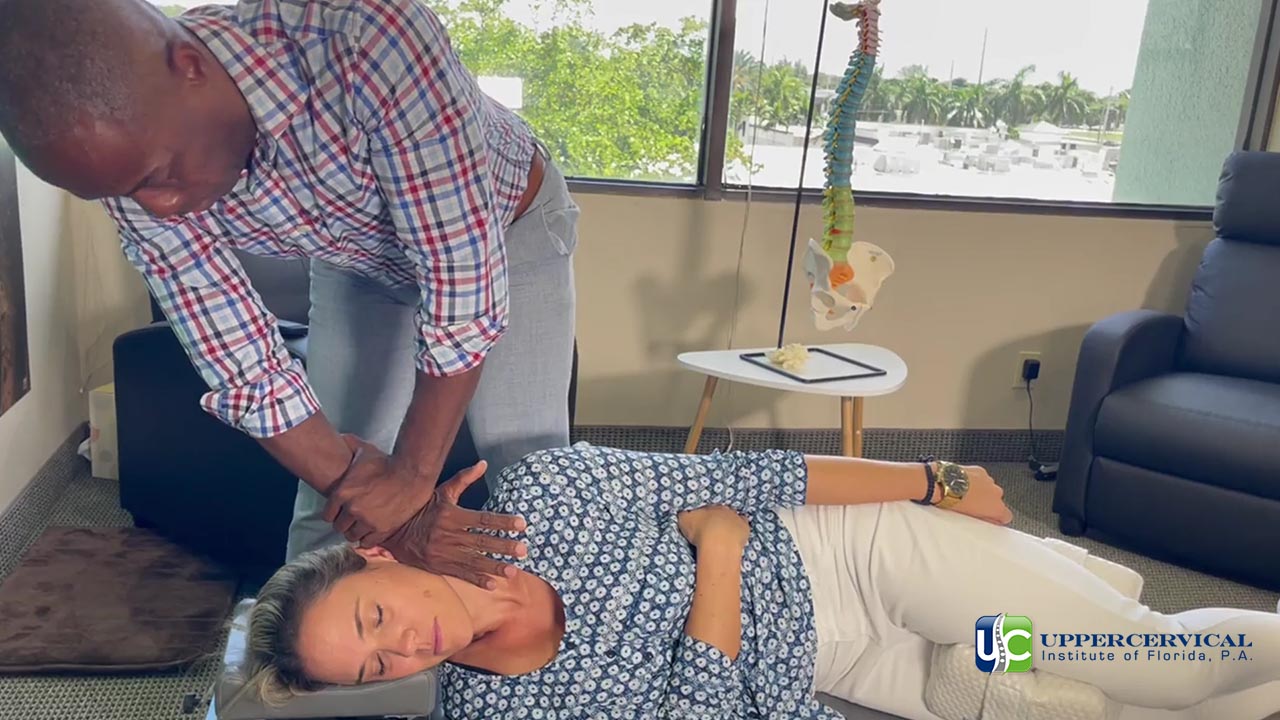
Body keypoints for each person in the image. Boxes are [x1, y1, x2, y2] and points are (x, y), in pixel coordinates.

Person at [0, 0, 573, 585]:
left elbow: (462, 287)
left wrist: (411, 479)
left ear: (191, 66)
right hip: (357, 262)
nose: (161, 208)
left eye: (160, 174)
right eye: (124, 194)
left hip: (506, 229)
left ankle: (565, 627)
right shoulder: (130, 166)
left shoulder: (366, 37)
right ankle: (294, 639)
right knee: (337, 496)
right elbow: (247, 368)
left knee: (531, 466)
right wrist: (394, 517)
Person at [241, 443, 1280, 719]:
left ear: (379, 558)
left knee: (1161, 669)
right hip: (838, 669)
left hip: (856, 557)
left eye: (373, 619)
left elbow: (749, 481)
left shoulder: (545, 494)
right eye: (372, 667)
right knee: (1094, 708)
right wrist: (720, 555)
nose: (402, 649)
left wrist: (934, 480)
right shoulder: (490, 710)